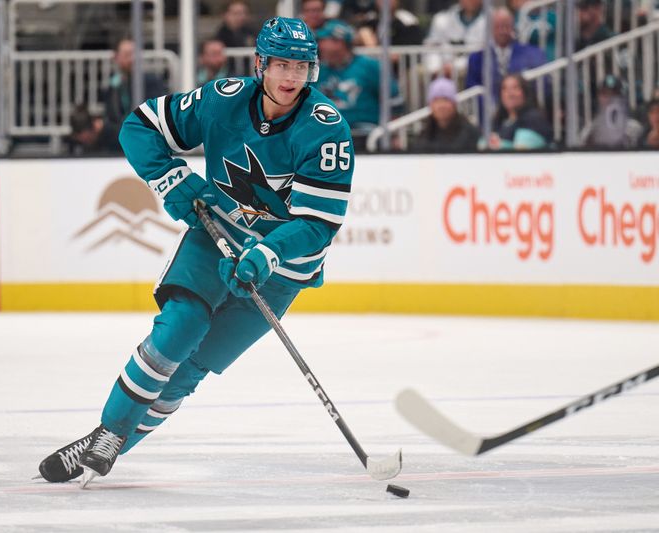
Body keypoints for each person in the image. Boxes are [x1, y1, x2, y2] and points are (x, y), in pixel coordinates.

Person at [38, 17, 354, 486]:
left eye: (302, 67)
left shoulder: (326, 130)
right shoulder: (222, 100)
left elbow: (317, 224)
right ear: (260, 64)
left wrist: (267, 254)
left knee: (189, 372)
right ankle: (111, 429)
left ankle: (110, 441)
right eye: (282, 65)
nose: (291, 78)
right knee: (181, 325)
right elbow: (139, 125)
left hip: (284, 269)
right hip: (217, 235)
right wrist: (168, 176)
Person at [314, 19, 404, 137]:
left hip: (367, 132)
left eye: (325, 41)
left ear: (341, 43)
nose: (321, 46)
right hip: (328, 133)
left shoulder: (370, 66)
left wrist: (393, 136)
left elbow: (394, 101)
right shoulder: (318, 71)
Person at [465, 8, 546, 105]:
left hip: (522, 110)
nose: (502, 31)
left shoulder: (530, 53)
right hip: (489, 112)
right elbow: (471, 88)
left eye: (506, 26)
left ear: (512, 27)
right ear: (490, 29)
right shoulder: (477, 58)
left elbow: (541, 84)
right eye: (498, 27)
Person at [103, 38, 166, 151]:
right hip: (120, 141)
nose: (132, 59)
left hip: (147, 140)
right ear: (116, 57)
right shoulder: (113, 86)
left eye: (134, 54)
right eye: (127, 54)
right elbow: (111, 116)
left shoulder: (152, 82)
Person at [481, 73, 552, 150]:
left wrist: (499, 145)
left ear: (525, 92)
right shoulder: (498, 121)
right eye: (504, 89)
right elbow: (481, 145)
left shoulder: (533, 119)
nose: (510, 93)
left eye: (515, 88)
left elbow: (523, 150)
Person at [411, 77, 480, 151]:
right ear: (430, 105)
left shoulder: (470, 134)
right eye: (436, 100)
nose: (441, 106)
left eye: (445, 99)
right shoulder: (423, 136)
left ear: (454, 104)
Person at [424, 0, 486, 78]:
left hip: (471, 74)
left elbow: (481, 54)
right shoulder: (441, 19)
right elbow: (431, 49)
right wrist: (437, 68)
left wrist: (454, 67)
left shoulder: (489, 21)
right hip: (439, 71)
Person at [580, 75, 644, 148]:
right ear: (599, 97)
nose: (609, 98)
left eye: (614, 94)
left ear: (622, 97)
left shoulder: (634, 128)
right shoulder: (589, 129)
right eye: (604, 94)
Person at [354, 0, 425, 47]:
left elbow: (406, 50)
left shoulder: (407, 21)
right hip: (376, 66)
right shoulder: (370, 20)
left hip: (402, 67)